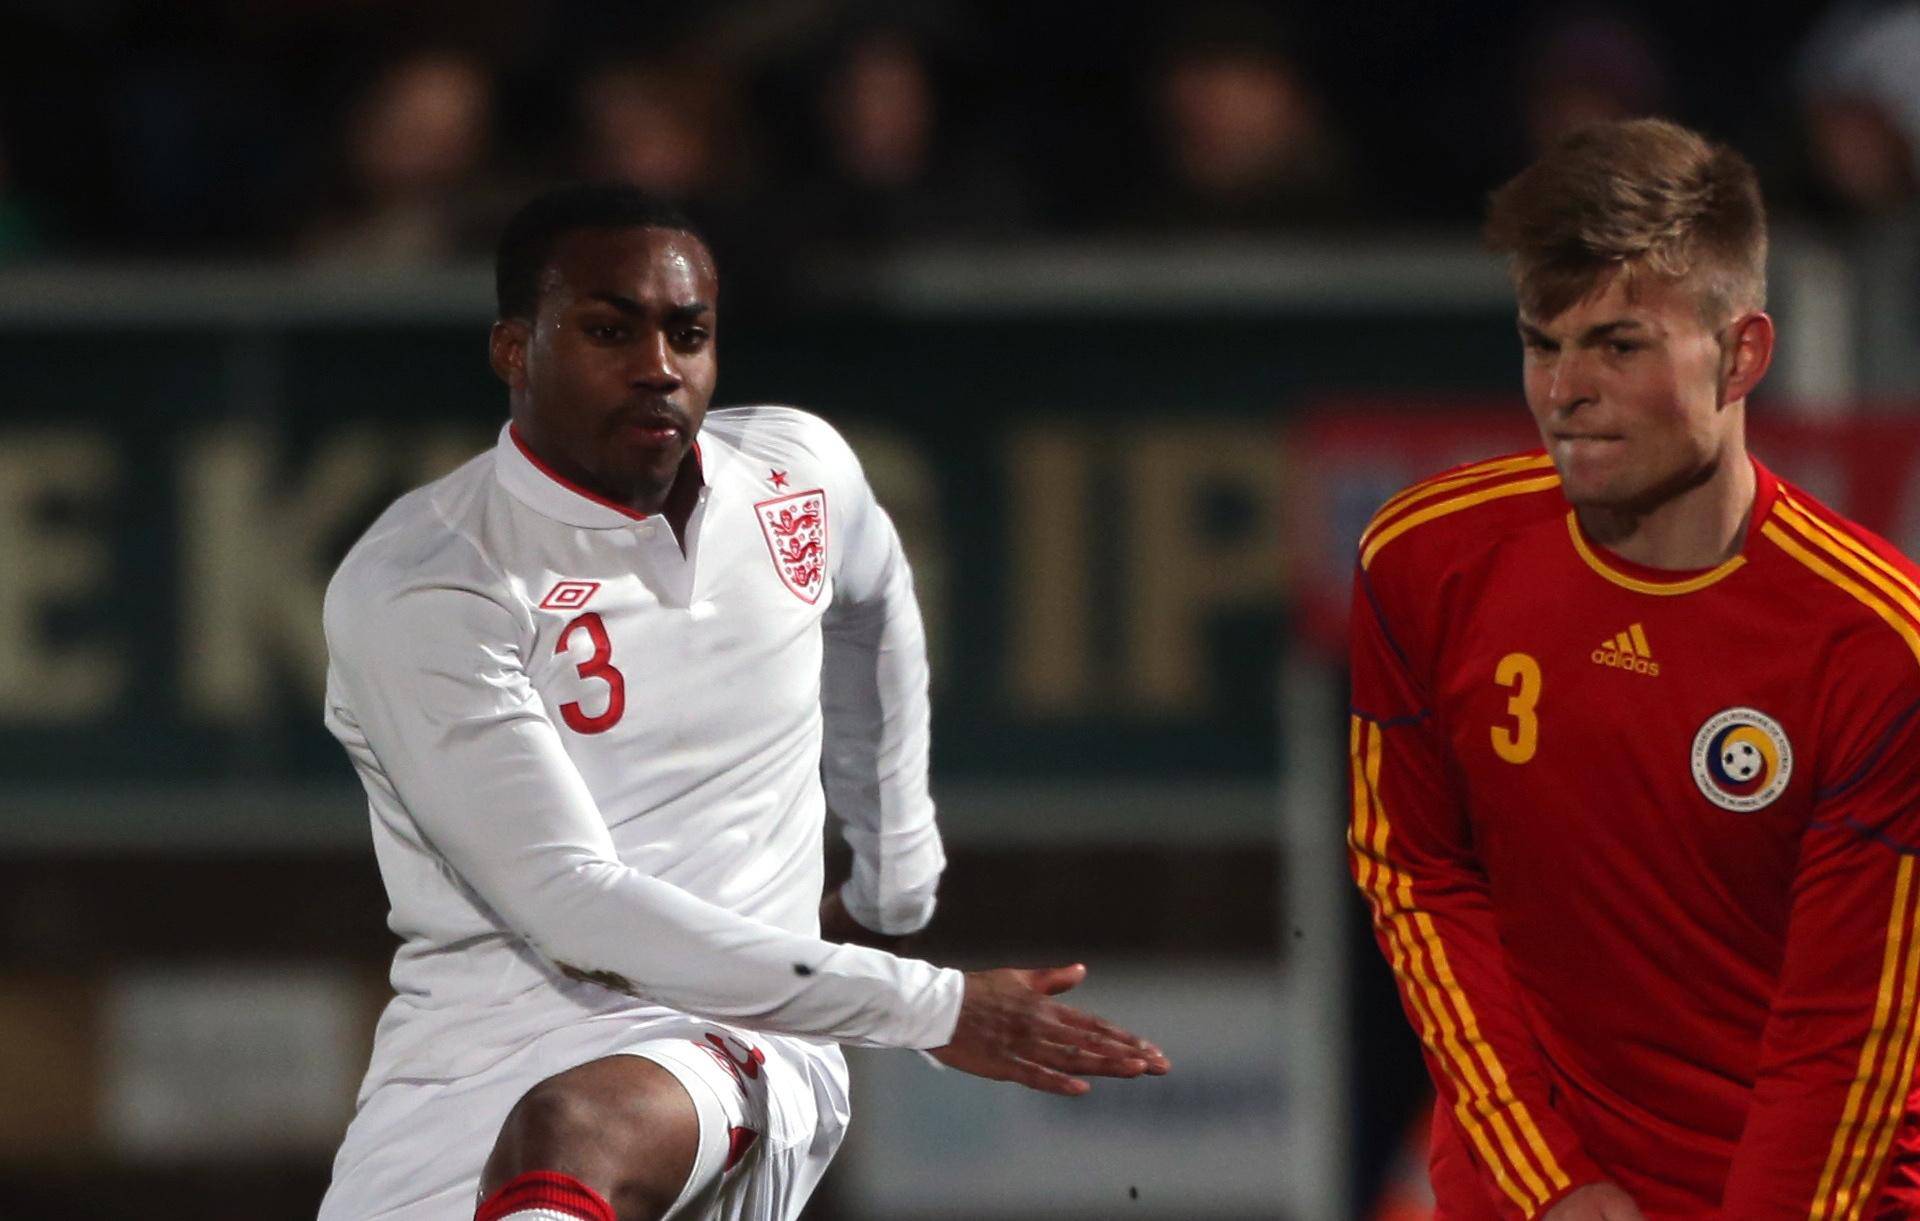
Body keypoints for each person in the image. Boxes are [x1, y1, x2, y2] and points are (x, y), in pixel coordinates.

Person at [316, 182, 1168, 1221]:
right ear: (512, 349)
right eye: (607, 330)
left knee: (573, 1129)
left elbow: (874, 603)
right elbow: (573, 902)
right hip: (461, 1081)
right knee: (554, 1133)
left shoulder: (794, 477)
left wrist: (897, 865)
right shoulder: (432, 583)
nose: (659, 366)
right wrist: (934, 1004)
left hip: (729, 1044)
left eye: (689, 332)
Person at [1347, 117, 1920, 1220]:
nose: (1568, 391)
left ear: (1744, 354)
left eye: (1619, 345)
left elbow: (1846, 1040)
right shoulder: (1423, 560)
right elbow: (1414, 875)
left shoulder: (1876, 646)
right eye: (1542, 343)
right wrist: (1546, 1184)